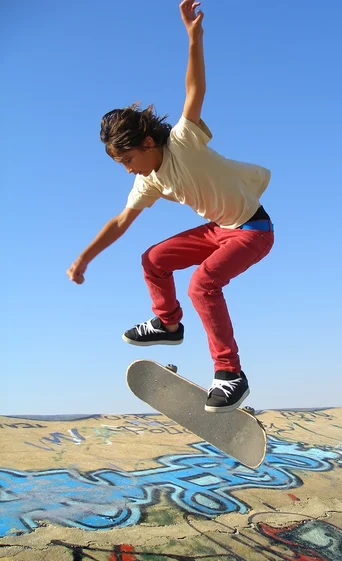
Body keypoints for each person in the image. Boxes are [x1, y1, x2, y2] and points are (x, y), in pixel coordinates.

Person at [67, 0, 274, 413]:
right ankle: (168, 322)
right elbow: (121, 221)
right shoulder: (151, 180)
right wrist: (84, 259)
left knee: (202, 285)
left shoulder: (182, 140)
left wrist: (194, 37)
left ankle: (230, 373)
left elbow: (195, 90)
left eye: (127, 161)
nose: (127, 171)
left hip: (252, 231)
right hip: (219, 230)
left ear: (146, 143)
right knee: (154, 259)